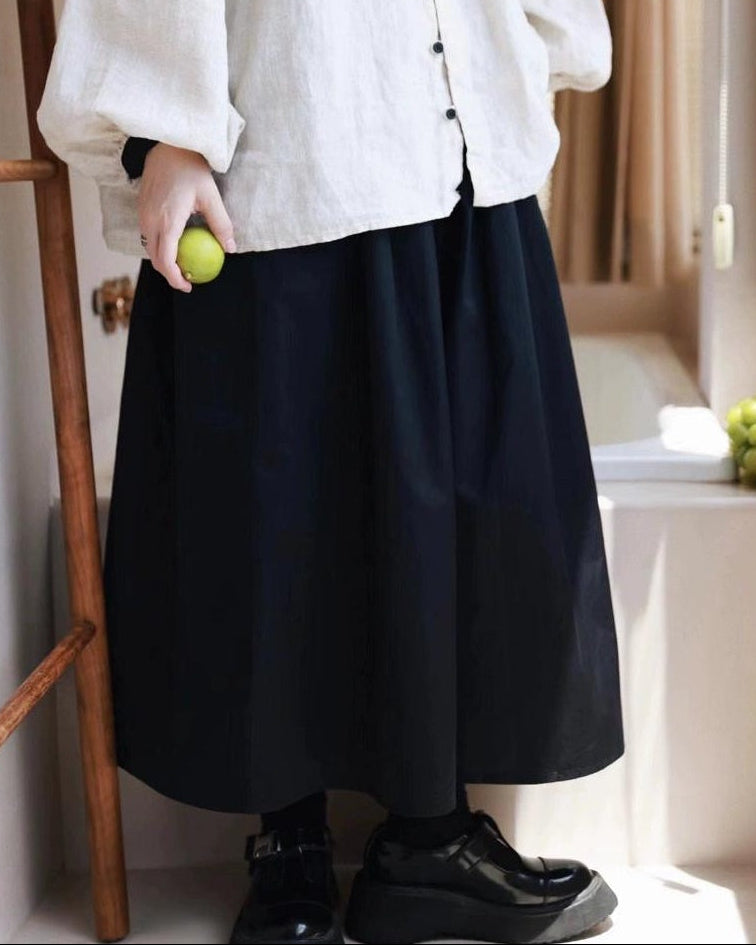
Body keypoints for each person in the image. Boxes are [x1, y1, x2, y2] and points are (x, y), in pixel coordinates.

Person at [38, 2, 624, 942]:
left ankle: (429, 837)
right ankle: (291, 837)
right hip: (286, 117)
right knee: (279, 495)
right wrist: (165, 129)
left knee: (456, 494)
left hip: (457, 120)